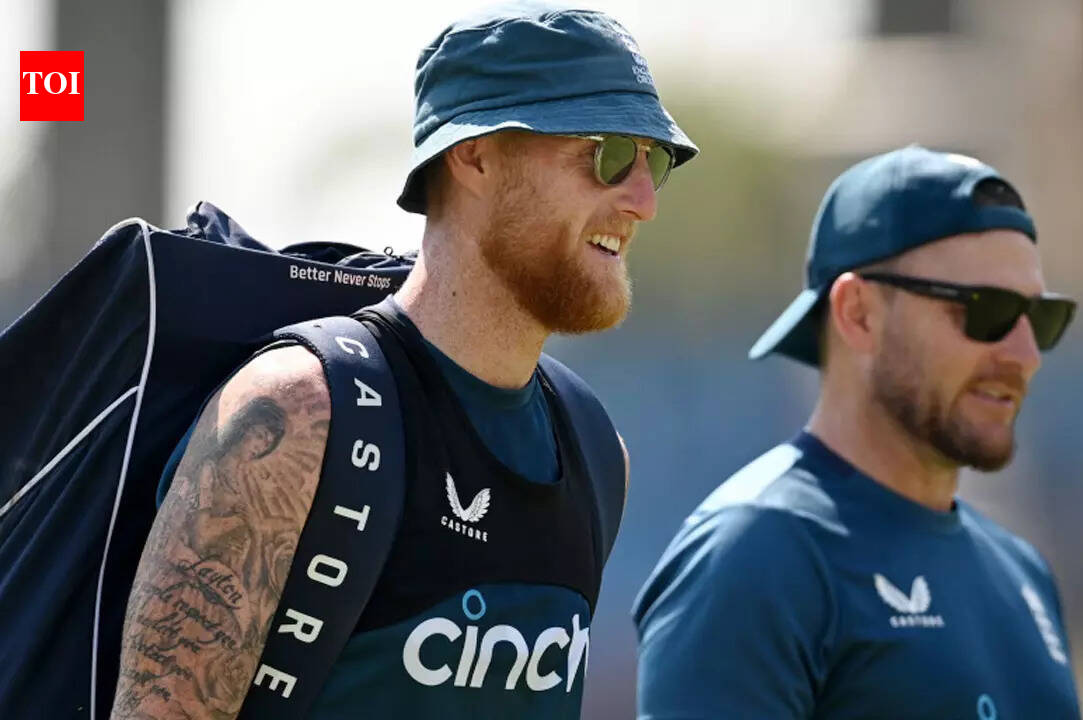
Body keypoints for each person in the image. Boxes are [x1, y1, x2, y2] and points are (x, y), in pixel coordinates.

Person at [110, 3, 697, 718]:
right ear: (475, 156)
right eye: (607, 154)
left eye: (654, 162)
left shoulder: (597, 449)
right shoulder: (299, 415)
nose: (643, 201)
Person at [633, 146, 1081, 719]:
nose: (1025, 355)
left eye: (1040, 318)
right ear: (858, 314)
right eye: (986, 310)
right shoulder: (757, 556)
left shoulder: (1023, 574)